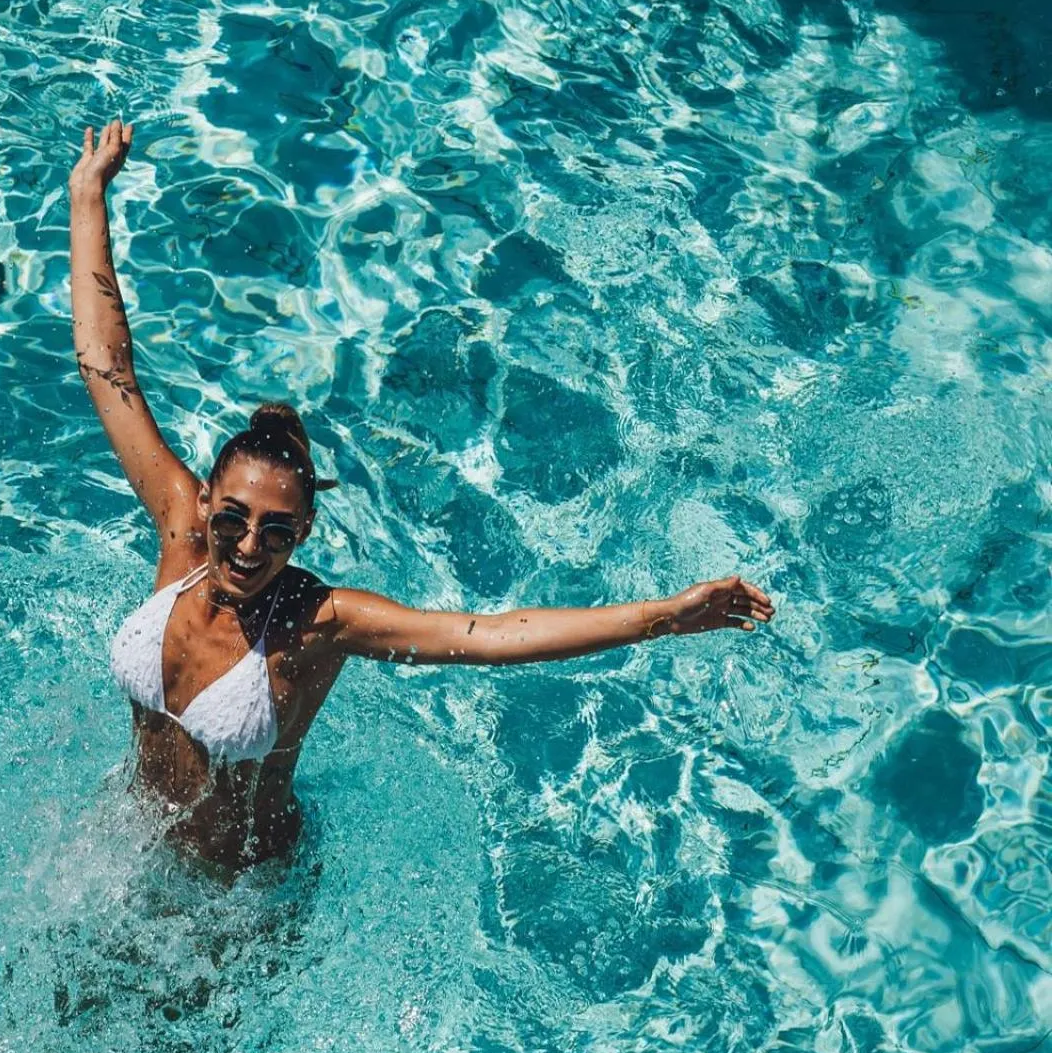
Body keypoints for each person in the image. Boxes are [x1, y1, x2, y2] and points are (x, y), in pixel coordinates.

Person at [70, 120, 775, 873]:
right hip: (133, 838)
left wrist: (662, 617)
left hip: (236, 894)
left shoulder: (319, 622)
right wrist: (88, 198)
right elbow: (105, 366)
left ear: (304, 533)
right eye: (234, 520)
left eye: (276, 533)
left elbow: (487, 636)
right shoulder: (181, 532)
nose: (247, 547)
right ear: (206, 502)